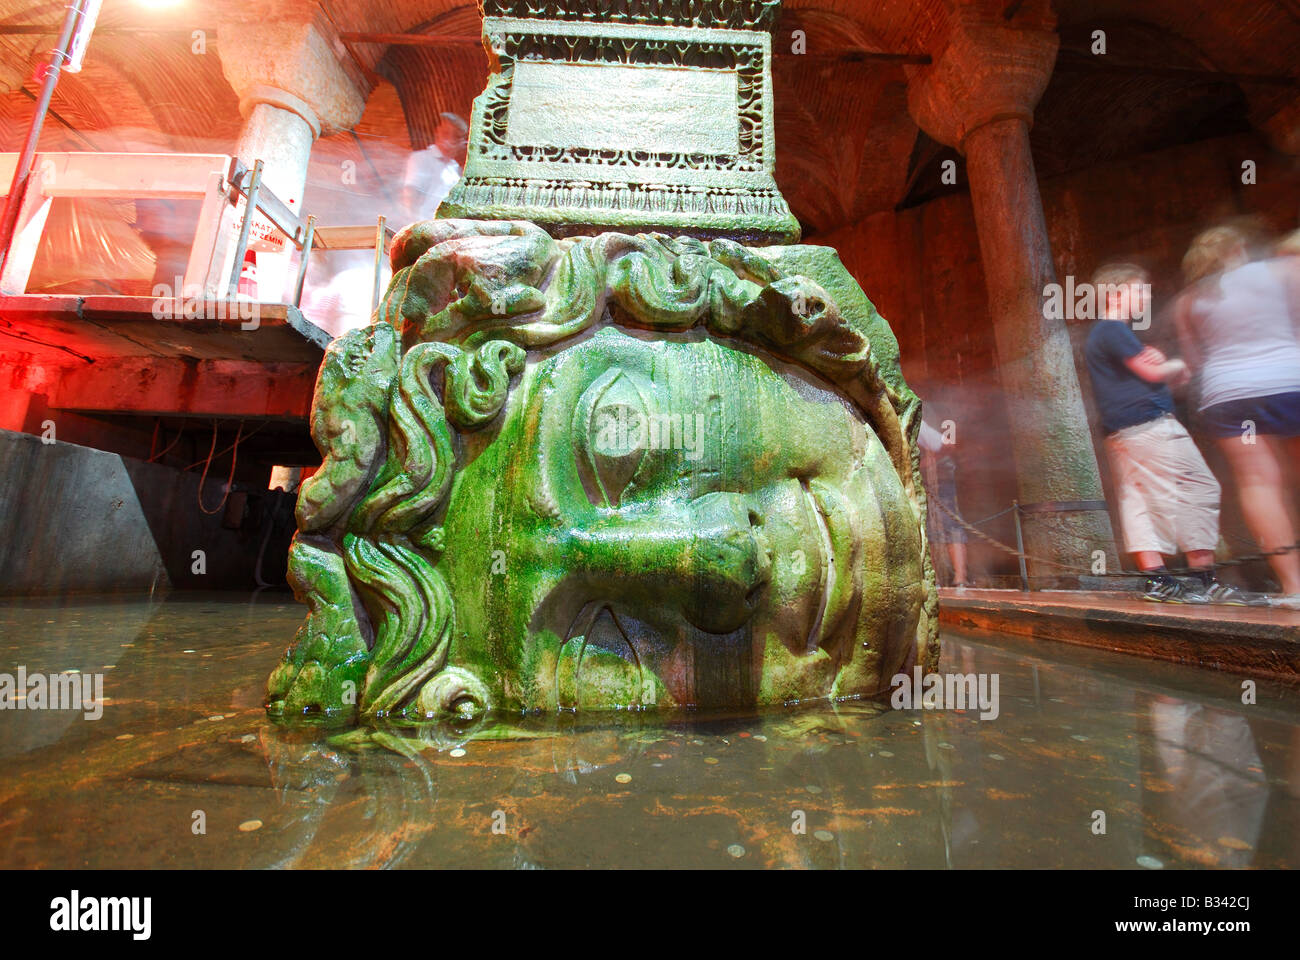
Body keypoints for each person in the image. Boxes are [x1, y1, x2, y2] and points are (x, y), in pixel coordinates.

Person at [1084, 262, 1245, 604]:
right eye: (1138, 289)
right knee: (1198, 487)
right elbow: (1151, 373)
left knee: (1138, 501)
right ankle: (1204, 581)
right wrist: (1176, 366)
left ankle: (1158, 580)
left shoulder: (1103, 334)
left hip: (1122, 433)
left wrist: (1153, 360)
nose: (1145, 295)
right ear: (1116, 292)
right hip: (1149, 426)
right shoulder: (1112, 329)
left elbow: (1138, 366)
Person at [1175, 226, 1300, 607]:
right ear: (1240, 247)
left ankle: (1294, 588)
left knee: (1259, 484)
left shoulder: (1188, 300)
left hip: (1230, 397)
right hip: (1289, 382)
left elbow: (1194, 362)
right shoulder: (1283, 271)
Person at [917, 396, 970, 588]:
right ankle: (936, 577)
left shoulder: (947, 419)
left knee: (951, 525)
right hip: (922, 480)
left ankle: (960, 577)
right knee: (928, 527)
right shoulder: (917, 414)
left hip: (944, 477)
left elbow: (951, 446)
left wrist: (931, 459)